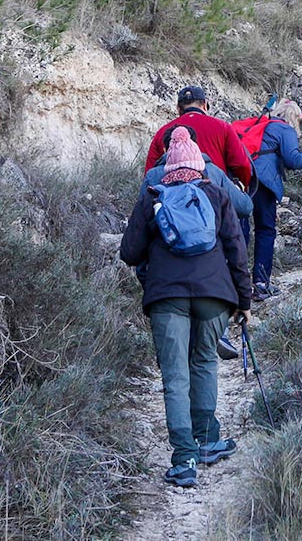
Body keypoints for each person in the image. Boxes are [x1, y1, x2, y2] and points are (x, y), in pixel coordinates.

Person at [119, 126, 252, 489]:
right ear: (199, 164)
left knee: (175, 376)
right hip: (214, 293)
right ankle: (208, 440)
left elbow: (129, 252)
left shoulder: (153, 193)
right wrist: (244, 301)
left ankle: (184, 460)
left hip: (166, 296)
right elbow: (236, 251)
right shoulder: (216, 192)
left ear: (168, 166)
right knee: (204, 362)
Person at [243, 98, 302, 299]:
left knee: (238, 232)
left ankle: (235, 284)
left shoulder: (260, 126)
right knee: (265, 230)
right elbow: (294, 160)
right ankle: (260, 284)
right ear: (295, 117)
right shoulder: (284, 129)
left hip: (240, 179)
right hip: (263, 182)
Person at [144, 85, 254, 191]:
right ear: (205, 105)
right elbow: (242, 165)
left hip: (172, 202)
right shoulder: (223, 127)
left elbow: (149, 175)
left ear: (178, 109)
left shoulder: (163, 132)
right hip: (215, 198)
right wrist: (241, 187)